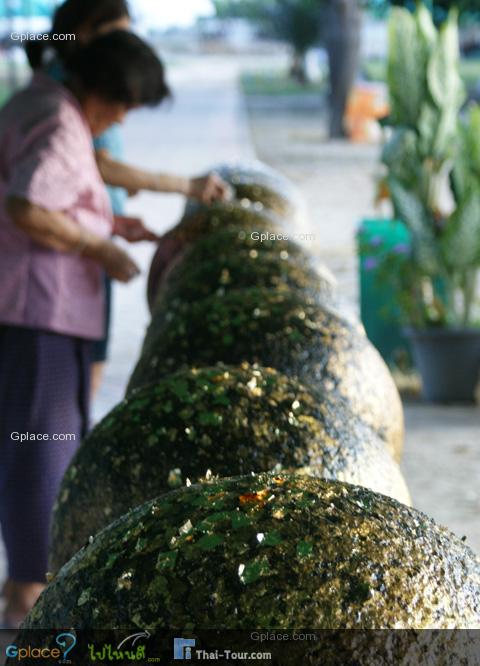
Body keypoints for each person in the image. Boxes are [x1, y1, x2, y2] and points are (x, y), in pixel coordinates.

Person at [0, 30, 170, 628]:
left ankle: (25, 583)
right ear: (105, 90)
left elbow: (51, 196)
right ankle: (24, 596)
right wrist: (100, 247)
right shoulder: (59, 121)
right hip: (36, 312)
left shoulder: (43, 101)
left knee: (42, 444)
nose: (121, 118)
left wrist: (114, 224)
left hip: (35, 310)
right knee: (39, 451)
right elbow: (25, 206)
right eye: (125, 105)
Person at [25, 0, 229, 394]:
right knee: (54, 400)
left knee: (75, 382)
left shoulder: (76, 87)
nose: (121, 116)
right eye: (119, 33)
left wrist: (112, 222)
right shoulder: (75, 96)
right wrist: (184, 185)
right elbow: (90, 167)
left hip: (88, 240)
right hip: (58, 264)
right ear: (86, 32)